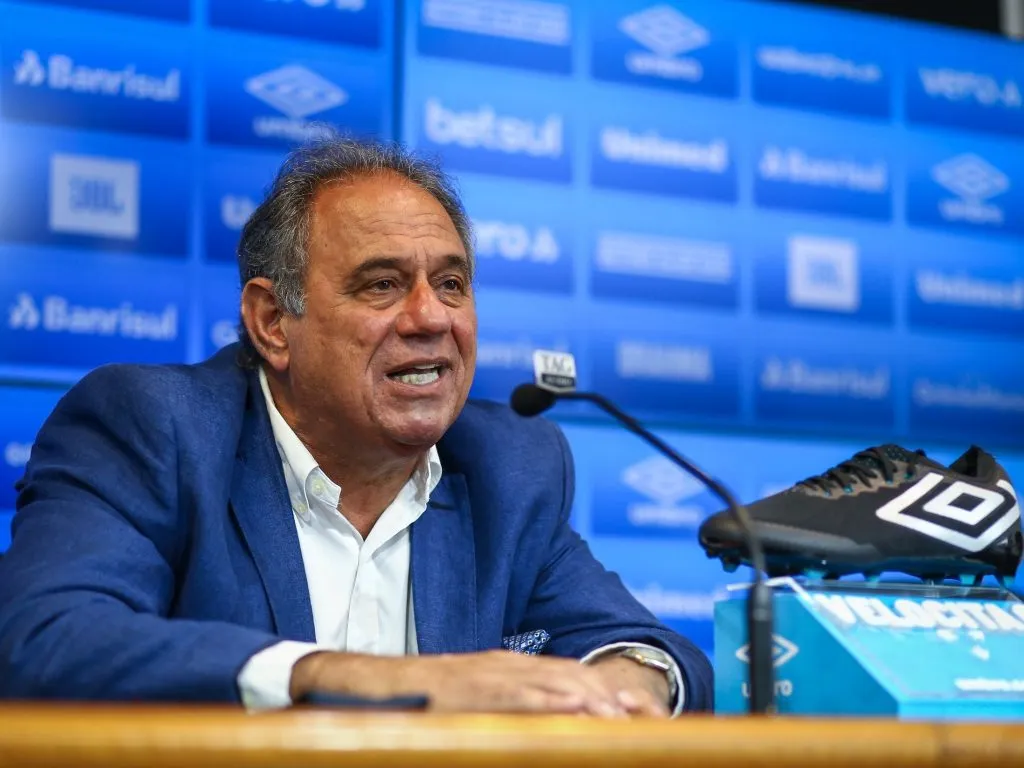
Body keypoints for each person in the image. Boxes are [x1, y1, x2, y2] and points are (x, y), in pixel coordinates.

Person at [0, 137, 712, 715]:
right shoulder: (153, 429)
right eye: (382, 284)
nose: (431, 318)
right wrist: (349, 678)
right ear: (274, 323)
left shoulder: (510, 467)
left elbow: (650, 649)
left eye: (452, 283)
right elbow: (42, 641)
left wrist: (627, 683)